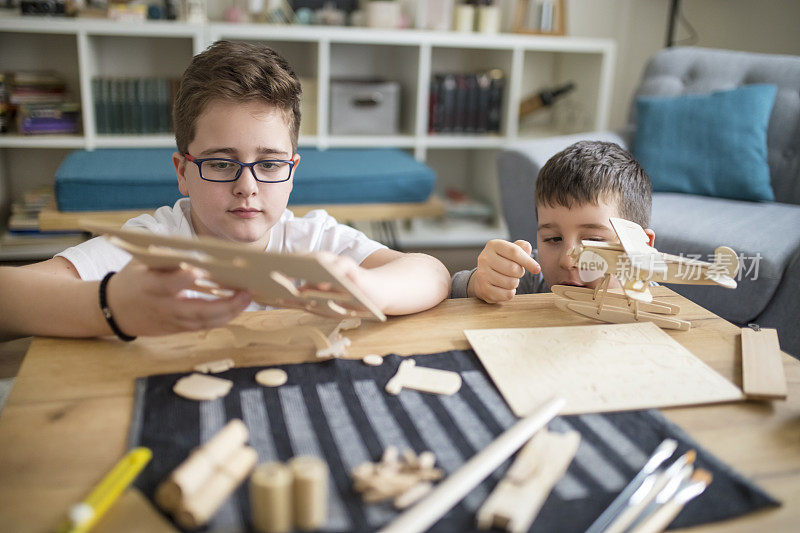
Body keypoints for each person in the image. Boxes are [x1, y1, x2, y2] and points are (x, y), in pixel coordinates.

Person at [0, 41, 451, 341]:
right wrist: (112, 304)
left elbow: (433, 273)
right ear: (182, 172)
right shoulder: (157, 244)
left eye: (270, 164)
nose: (247, 187)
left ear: (292, 172)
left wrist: (374, 287)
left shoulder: (313, 241)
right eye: (220, 163)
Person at [451, 140, 654, 302]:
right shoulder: (530, 278)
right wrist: (480, 282)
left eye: (593, 240)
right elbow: (454, 290)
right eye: (553, 239)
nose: (567, 260)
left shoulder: (656, 304)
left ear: (642, 248)